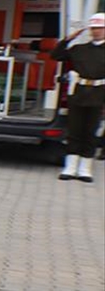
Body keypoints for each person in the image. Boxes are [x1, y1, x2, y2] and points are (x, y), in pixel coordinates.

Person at [53, 12, 105, 182]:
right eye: (94, 28)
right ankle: (70, 167)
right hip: (78, 93)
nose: (96, 32)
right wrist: (68, 39)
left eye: (100, 28)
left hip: (98, 95)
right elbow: (56, 55)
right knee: (74, 131)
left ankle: (85, 168)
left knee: (90, 132)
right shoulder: (79, 49)